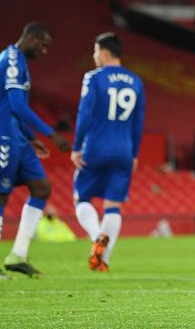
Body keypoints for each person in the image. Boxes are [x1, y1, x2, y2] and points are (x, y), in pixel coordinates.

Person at [0, 23, 71, 280]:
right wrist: (51, 134)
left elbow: (15, 109)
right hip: (0, 134)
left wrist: (30, 137)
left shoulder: (19, 61)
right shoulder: (11, 59)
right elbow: (17, 105)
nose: (44, 51)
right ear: (31, 38)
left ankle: (17, 256)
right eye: (43, 45)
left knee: (41, 188)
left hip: (17, 136)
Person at [72, 32, 145, 272]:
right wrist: (134, 154)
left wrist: (76, 147)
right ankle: (103, 260)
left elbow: (84, 114)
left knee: (81, 198)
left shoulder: (93, 78)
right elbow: (138, 123)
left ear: (104, 53)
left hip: (96, 148)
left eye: (95, 51)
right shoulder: (136, 81)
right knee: (113, 205)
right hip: (124, 151)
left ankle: (97, 236)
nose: (94, 56)